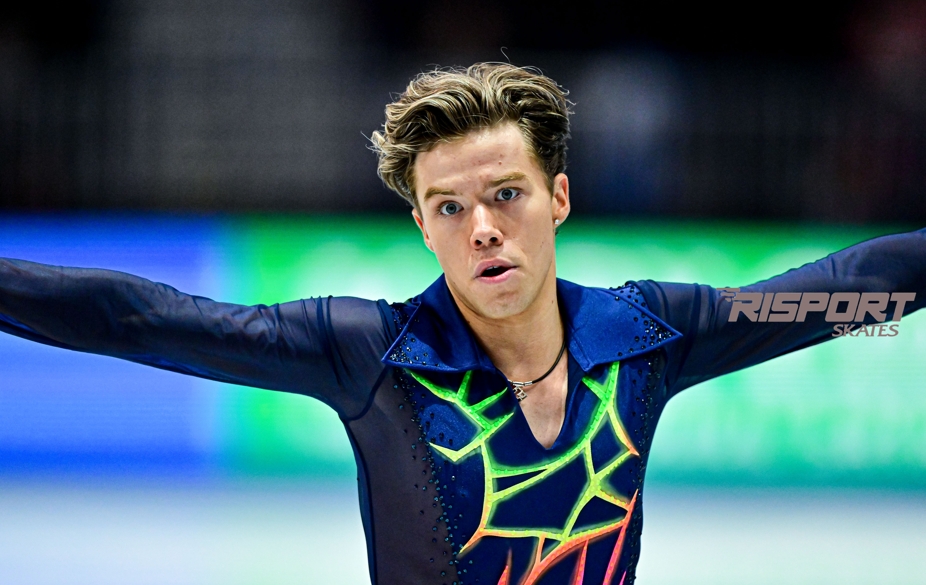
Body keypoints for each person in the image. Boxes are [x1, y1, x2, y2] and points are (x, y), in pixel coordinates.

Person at [0, 63, 924, 585]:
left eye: (506, 194)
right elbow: (142, 318)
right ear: (421, 224)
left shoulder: (650, 332)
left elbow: (834, 294)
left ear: (559, 197)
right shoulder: (367, 350)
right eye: (449, 206)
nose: (481, 227)